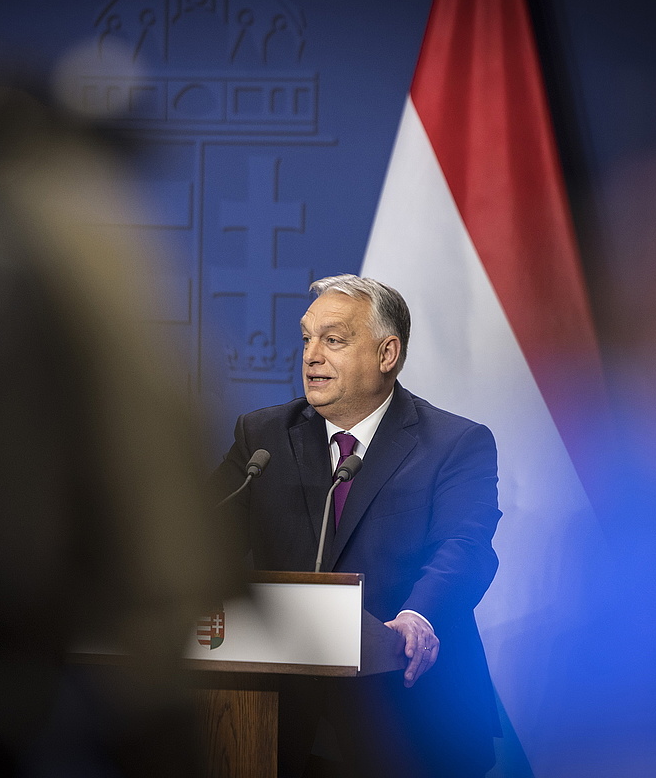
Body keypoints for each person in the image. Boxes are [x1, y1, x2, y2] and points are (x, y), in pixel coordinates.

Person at [213, 274, 502, 778]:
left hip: (408, 718)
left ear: (387, 354)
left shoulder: (454, 443)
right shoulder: (262, 437)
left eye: (333, 340)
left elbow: (466, 546)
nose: (311, 355)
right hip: (277, 722)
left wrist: (419, 616)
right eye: (307, 338)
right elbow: (200, 534)